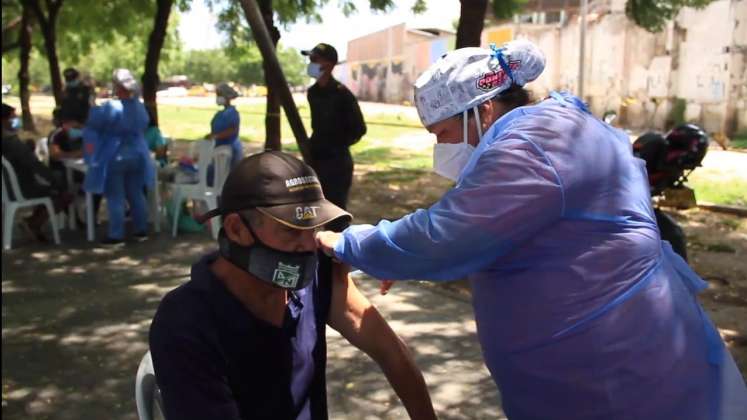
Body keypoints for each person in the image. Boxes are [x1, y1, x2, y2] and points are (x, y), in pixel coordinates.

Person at [316, 40, 747, 419]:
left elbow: (447, 235)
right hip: (600, 369)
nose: (440, 148)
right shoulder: (546, 130)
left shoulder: (532, 146)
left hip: (619, 376)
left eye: (442, 132)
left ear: (482, 109)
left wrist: (348, 244)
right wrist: (410, 259)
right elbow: (512, 236)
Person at [149, 151, 436, 420]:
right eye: (291, 230)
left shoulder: (319, 275)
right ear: (237, 229)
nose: (307, 245)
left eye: (314, 229)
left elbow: (390, 351)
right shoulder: (184, 323)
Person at [82, 69, 153, 246]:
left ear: (117, 86)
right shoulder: (139, 106)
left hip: (115, 156)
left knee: (115, 196)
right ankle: (141, 230)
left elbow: (93, 125)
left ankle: (116, 235)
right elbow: (144, 125)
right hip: (138, 154)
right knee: (136, 193)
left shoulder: (110, 107)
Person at [302, 43, 366, 232]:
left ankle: (337, 258)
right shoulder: (312, 93)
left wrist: (336, 145)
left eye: (315, 59)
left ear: (329, 64)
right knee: (313, 212)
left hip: (337, 163)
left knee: (335, 216)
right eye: (310, 59)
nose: (311, 63)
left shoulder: (342, 94)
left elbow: (359, 128)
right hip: (316, 160)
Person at [2, 103, 72, 242]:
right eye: (12, 118)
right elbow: (34, 165)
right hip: (22, 188)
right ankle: (34, 223)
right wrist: (55, 181)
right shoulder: (12, 143)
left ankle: (32, 222)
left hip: (8, 188)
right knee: (65, 193)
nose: (16, 121)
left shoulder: (9, 141)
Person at [206, 83, 242, 168]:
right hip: (218, 147)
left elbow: (233, 130)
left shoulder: (232, 113)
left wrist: (216, 136)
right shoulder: (219, 114)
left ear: (227, 97)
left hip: (229, 148)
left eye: (219, 95)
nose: (217, 98)